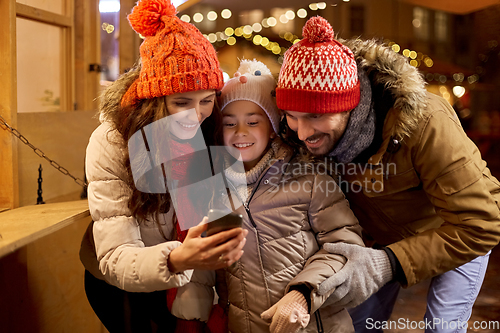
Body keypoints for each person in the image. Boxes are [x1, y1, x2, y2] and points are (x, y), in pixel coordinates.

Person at [276, 16, 500, 333]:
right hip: (378, 238)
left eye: (316, 115)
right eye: (291, 116)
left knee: (442, 326)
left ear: (350, 105)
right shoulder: (297, 135)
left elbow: (481, 224)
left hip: (458, 229)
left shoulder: (425, 120)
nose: (302, 133)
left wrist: (388, 263)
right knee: (356, 326)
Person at [79, 0, 247, 332]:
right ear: (154, 101)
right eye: (181, 102)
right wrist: (177, 259)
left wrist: (224, 230)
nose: (195, 115)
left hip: (184, 281)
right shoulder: (112, 142)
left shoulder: (211, 130)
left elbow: (218, 205)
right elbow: (115, 256)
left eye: (206, 100)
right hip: (120, 285)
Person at [214, 59, 364, 333]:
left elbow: (345, 246)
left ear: (272, 127)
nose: (241, 132)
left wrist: (302, 295)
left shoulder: (308, 178)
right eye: (229, 123)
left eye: (252, 121)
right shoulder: (214, 189)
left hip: (316, 325)